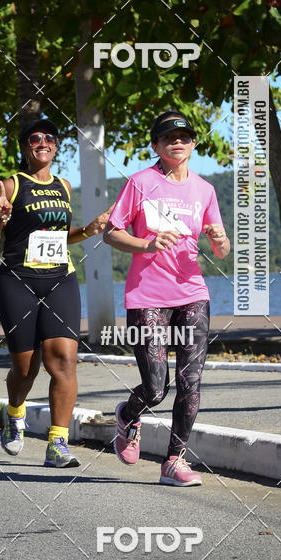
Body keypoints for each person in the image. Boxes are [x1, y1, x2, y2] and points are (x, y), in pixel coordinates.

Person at [103, 109, 230, 486]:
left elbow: (219, 247)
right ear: (156, 145)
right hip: (148, 296)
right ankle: (129, 413)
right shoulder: (141, 182)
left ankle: (174, 461)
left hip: (192, 292)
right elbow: (111, 232)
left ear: (193, 144)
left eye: (185, 136)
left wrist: (220, 242)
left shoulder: (205, 190)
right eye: (168, 137)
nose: (178, 142)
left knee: (191, 383)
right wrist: (147, 242)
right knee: (157, 388)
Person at [0, 118, 111, 468]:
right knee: (26, 368)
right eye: (34, 138)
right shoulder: (11, 183)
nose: (43, 142)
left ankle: (57, 444)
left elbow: (61, 237)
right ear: (24, 146)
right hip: (17, 281)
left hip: (59, 279)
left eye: (50, 138)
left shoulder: (64, 186)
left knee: (63, 360)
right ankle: (14, 413)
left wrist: (88, 230)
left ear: (55, 146)